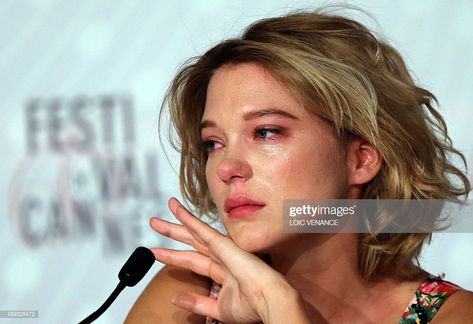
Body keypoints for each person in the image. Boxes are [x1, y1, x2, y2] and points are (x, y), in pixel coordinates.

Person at [125, 9, 473, 323]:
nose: (226, 168)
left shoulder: (455, 316)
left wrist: (280, 307)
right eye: (213, 143)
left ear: (360, 159)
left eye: (265, 132)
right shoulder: (191, 291)